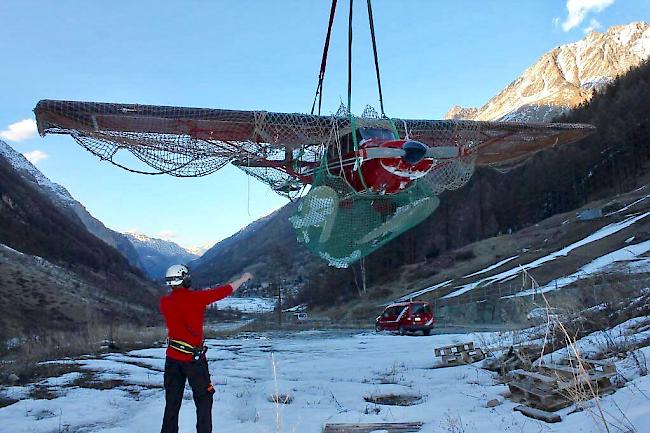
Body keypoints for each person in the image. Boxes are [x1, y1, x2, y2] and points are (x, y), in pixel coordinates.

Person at [159, 264, 253, 433]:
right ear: (185, 279)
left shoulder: (165, 302)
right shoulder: (196, 298)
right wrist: (243, 278)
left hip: (172, 359)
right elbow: (225, 290)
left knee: (172, 404)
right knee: (204, 401)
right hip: (193, 360)